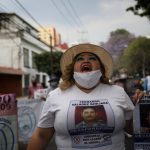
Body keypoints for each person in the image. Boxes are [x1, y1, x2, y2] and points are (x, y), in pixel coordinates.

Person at [27, 43, 142, 150]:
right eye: (80, 59)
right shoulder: (55, 96)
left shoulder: (119, 92)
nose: (86, 61)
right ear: (72, 68)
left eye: (92, 58)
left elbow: (132, 129)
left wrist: (141, 110)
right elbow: (41, 136)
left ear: (101, 68)